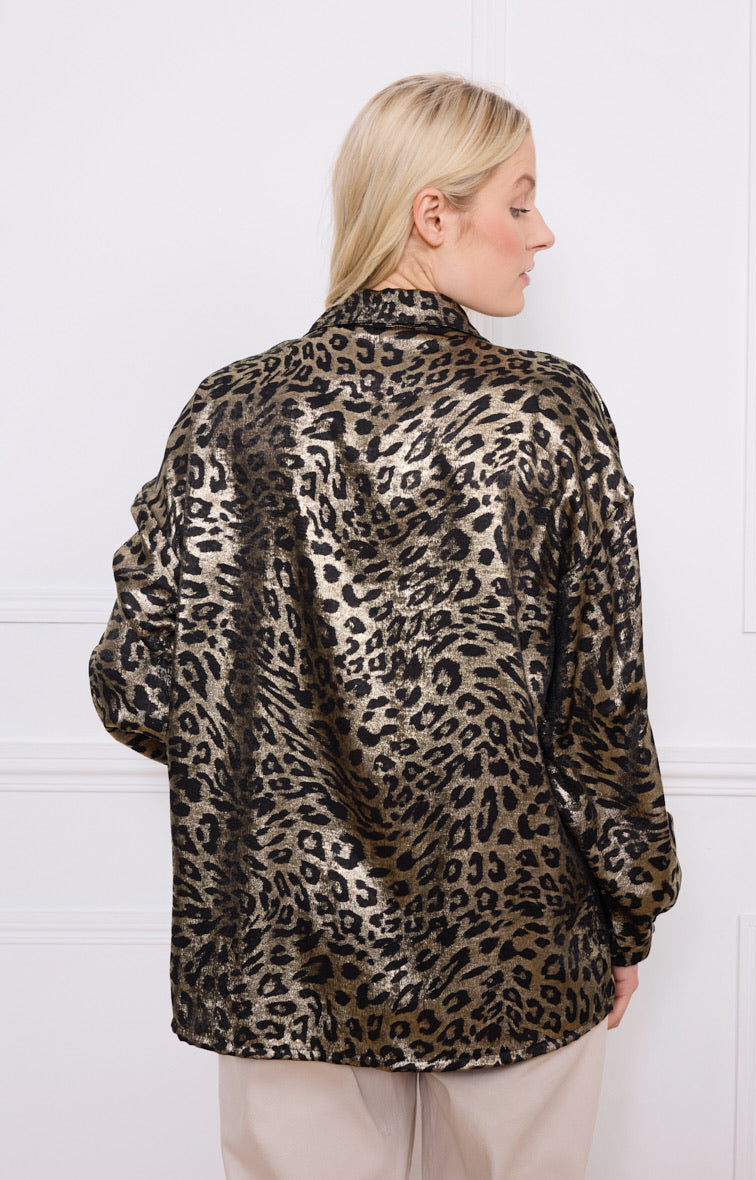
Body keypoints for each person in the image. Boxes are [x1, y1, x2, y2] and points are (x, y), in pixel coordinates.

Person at [89, 73, 681, 1180]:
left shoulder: (231, 411)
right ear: (431, 214)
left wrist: (293, 773)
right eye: (518, 201)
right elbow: (599, 702)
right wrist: (630, 903)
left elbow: (137, 684)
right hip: (514, 941)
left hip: (281, 950)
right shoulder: (547, 413)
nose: (541, 233)